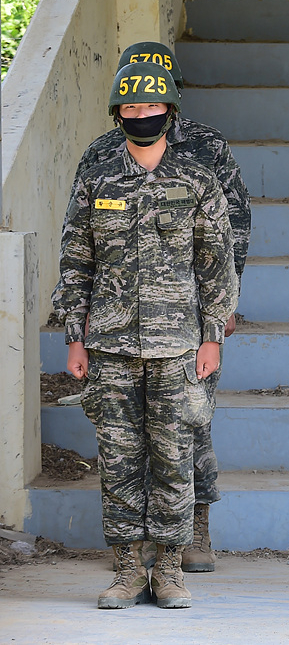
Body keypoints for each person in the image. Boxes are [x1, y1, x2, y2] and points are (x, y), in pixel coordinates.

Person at [51, 60, 238, 609]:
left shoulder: (196, 180)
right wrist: (75, 337)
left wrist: (212, 338)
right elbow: (75, 263)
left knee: (174, 457)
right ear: (117, 115)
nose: (141, 116)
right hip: (109, 347)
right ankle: (129, 571)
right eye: (130, 108)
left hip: (178, 345)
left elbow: (215, 264)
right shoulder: (97, 181)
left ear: (169, 111)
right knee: (118, 459)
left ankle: (172, 571)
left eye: (151, 107)